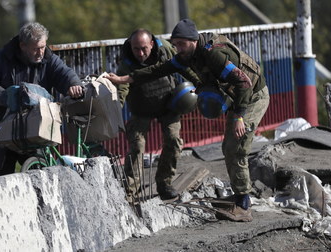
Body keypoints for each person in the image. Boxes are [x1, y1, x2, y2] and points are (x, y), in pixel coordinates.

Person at [106, 19, 269, 222]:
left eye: (181, 44)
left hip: (253, 97)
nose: (177, 49)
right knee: (229, 146)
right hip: (238, 98)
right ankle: (238, 197)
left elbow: (243, 81)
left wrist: (238, 116)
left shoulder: (214, 54)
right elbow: (158, 70)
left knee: (236, 146)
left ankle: (243, 206)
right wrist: (124, 79)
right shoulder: (185, 56)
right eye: (175, 44)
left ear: (193, 41)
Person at [0, 22, 83, 177]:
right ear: (23, 46)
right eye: (36, 48)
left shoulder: (49, 60)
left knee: (41, 176)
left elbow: (64, 73)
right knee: (1, 180)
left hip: (34, 131)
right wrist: (4, 96)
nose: (41, 52)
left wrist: (74, 85)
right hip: (2, 132)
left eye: (43, 47)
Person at [116, 29, 200, 201]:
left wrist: (200, 84)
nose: (140, 53)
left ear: (152, 44)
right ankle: (130, 192)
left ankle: (164, 182)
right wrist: (117, 106)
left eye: (144, 48)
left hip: (168, 104)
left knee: (173, 139)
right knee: (136, 146)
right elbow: (121, 88)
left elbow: (182, 65)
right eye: (136, 49)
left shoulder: (165, 49)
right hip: (141, 108)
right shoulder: (126, 62)